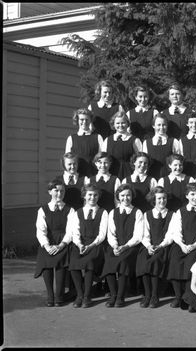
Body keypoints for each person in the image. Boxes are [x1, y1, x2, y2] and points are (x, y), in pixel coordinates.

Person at [166, 183, 196, 309]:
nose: (195, 197)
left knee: (192, 264)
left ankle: (189, 297)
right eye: (192, 194)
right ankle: (178, 296)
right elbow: (176, 231)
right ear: (187, 196)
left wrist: (195, 245)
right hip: (182, 244)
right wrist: (182, 245)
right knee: (175, 261)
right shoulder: (180, 211)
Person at [100, 184, 144, 307]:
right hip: (116, 246)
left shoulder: (137, 212)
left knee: (123, 263)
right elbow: (111, 233)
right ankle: (113, 294)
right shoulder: (113, 212)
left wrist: (125, 246)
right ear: (118, 197)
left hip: (131, 246)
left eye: (128, 195)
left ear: (132, 196)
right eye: (123, 195)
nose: (126, 198)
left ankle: (120, 296)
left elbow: (138, 235)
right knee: (109, 261)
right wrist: (115, 246)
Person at [34, 179, 75, 307]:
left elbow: (71, 231)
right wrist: (46, 245)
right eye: (56, 190)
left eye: (62, 191)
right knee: (46, 261)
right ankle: (50, 295)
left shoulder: (70, 210)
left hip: (63, 242)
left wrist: (62, 244)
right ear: (50, 192)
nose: (59, 193)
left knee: (61, 263)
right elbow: (41, 230)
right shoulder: (43, 210)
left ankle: (59, 296)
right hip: (48, 242)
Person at [68, 184, 108, 308]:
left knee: (89, 264)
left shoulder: (103, 212)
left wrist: (91, 245)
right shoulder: (78, 212)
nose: (92, 197)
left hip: (96, 244)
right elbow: (75, 231)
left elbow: (102, 233)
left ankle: (87, 296)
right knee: (74, 264)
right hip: (80, 243)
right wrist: (79, 244)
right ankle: (80, 294)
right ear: (84, 196)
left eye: (95, 195)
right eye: (90, 194)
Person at [136, 186, 174, 308]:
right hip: (149, 246)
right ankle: (147, 295)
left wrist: (161, 245)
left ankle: (154, 296)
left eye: (164, 198)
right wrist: (148, 246)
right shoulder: (147, 214)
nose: (162, 201)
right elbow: (144, 234)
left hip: (164, 246)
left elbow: (170, 235)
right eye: (159, 199)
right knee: (143, 260)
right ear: (154, 200)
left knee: (154, 261)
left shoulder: (172, 214)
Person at [102, 111, 142, 180]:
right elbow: (103, 158)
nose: (120, 125)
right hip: (112, 173)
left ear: (127, 124)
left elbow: (140, 158)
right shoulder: (107, 140)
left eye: (123, 123)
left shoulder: (134, 140)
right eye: (117, 123)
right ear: (113, 124)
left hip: (129, 173)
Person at [65, 108, 103, 178]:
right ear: (77, 120)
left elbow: (101, 158)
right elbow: (67, 160)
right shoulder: (71, 138)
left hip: (93, 174)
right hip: (77, 176)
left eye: (87, 119)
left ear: (90, 120)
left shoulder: (98, 137)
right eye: (82, 119)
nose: (84, 122)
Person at [142, 113, 180, 180]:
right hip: (152, 177)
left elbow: (178, 160)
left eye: (164, 125)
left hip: (169, 178)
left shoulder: (174, 141)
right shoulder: (146, 143)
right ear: (153, 126)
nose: (161, 127)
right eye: (159, 125)